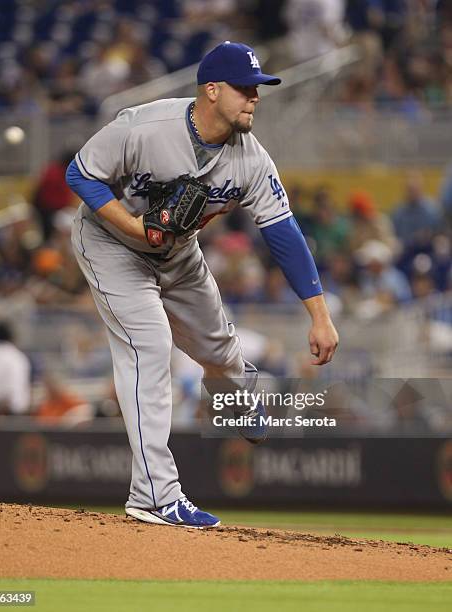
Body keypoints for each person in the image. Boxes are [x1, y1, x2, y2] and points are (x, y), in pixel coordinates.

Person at [66, 41, 338, 529]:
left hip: (177, 253)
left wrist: (319, 315)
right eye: (244, 89)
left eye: (258, 89)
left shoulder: (252, 161)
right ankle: (154, 495)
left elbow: (284, 234)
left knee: (219, 352)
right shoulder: (144, 126)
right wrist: (134, 229)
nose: (254, 97)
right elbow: (80, 174)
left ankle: (239, 397)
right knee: (150, 342)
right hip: (110, 244)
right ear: (211, 90)